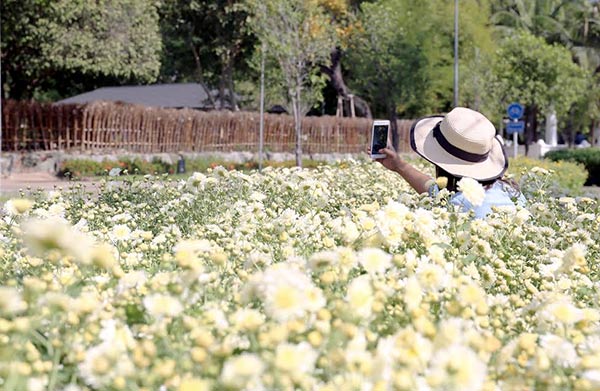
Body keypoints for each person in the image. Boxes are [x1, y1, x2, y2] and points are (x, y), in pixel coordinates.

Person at [376, 107, 524, 219]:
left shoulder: (456, 207)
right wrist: (398, 166)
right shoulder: (511, 192)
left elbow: (442, 196)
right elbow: (434, 190)